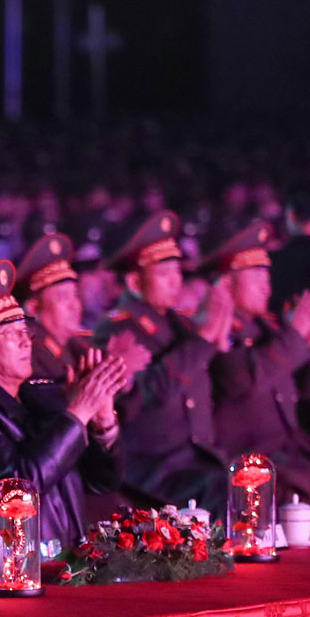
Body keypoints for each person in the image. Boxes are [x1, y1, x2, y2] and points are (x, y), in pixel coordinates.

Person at [0, 260, 125, 552]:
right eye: (10, 333)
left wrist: (102, 422)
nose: (26, 342)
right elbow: (19, 486)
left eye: (25, 331)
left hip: (64, 558)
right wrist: (78, 411)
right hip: (11, 566)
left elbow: (102, 482)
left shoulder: (40, 396)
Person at [97, 211, 228, 510]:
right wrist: (203, 340)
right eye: (164, 274)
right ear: (133, 280)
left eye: (177, 272)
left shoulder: (179, 324)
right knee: (219, 486)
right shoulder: (118, 329)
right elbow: (146, 392)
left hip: (198, 457)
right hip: (153, 468)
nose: (176, 282)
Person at [201, 222, 310, 508]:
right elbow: (243, 379)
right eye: (255, 277)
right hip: (249, 458)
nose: (266, 286)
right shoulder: (218, 329)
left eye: (266, 276)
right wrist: (294, 336)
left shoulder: (267, 329)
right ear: (227, 284)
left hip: (290, 451)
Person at [18, 231, 92, 383]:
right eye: (63, 297)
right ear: (33, 308)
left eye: (75, 295)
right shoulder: (29, 355)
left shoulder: (78, 346)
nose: (74, 306)